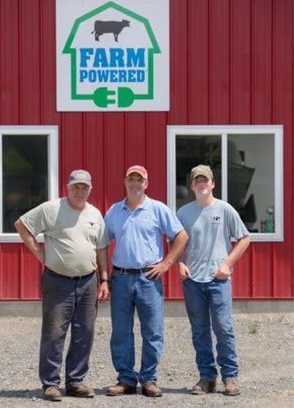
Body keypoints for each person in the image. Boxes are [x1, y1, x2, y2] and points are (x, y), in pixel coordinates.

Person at [14, 169, 110, 402]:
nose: (80, 191)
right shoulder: (51, 209)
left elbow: (101, 248)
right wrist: (40, 254)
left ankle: (76, 382)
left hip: (87, 281)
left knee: (84, 332)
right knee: (54, 333)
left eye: (84, 187)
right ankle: (50, 384)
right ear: (67, 187)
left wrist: (105, 279)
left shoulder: (95, 214)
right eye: (76, 186)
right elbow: (21, 224)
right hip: (58, 280)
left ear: (90, 189)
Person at [104, 165, 188, 398]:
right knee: (121, 331)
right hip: (120, 277)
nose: (135, 183)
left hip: (147, 278)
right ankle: (126, 379)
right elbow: (102, 242)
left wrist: (167, 263)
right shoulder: (114, 211)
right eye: (131, 179)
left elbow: (181, 235)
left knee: (153, 331)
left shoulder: (157, 209)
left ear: (146, 184)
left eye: (139, 180)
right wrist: (103, 275)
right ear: (125, 182)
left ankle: (149, 378)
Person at [176, 164, 250, 397]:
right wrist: (179, 262)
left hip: (218, 280)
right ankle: (206, 377)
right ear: (192, 185)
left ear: (212, 183)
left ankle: (230, 377)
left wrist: (227, 265)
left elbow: (244, 239)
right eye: (197, 180)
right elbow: (175, 241)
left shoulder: (224, 209)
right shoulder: (183, 213)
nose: (201, 184)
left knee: (224, 328)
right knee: (199, 331)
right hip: (193, 281)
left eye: (205, 180)